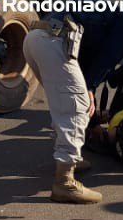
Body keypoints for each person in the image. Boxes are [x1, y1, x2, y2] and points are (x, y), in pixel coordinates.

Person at [23, 11, 103, 204]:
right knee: (76, 107)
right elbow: (105, 59)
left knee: (61, 101)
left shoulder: (105, 16)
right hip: (54, 41)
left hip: (34, 37)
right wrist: (90, 89)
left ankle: (68, 160)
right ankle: (64, 182)